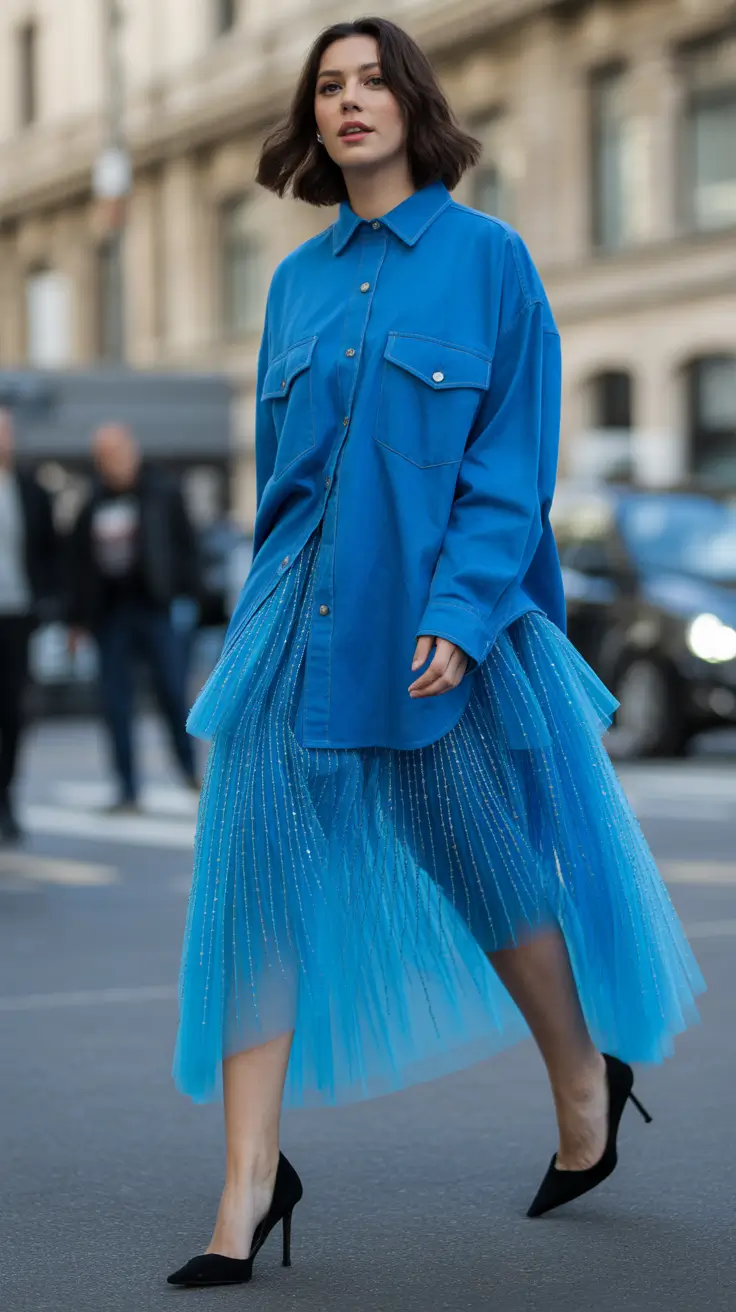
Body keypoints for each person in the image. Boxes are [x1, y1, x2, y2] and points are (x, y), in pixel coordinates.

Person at [168, 17, 704, 1290]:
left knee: (483, 860)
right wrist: (253, 619)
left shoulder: (490, 261)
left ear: (412, 102)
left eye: (369, 82)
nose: (349, 103)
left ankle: (584, 1078)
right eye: (327, 88)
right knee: (256, 876)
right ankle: (247, 1182)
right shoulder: (294, 283)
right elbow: (278, 479)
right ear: (313, 121)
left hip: (434, 624)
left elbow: (513, 470)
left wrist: (459, 620)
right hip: (295, 620)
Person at [67, 424, 201, 812]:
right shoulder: (91, 501)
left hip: (157, 608)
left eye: (116, 453)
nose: (111, 463)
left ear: (132, 451)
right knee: (115, 704)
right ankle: (127, 788)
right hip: (111, 615)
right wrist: (77, 619)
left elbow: (187, 546)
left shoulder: (163, 491)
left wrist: (189, 598)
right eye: (103, 457)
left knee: (174, 694)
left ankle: (190, 771)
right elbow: (77, 564)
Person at [0, 408, 59, 842]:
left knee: (13, 713)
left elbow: (49, 552)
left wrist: (47, 604)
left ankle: (5, 798)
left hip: (17, 616)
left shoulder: (30, 490)